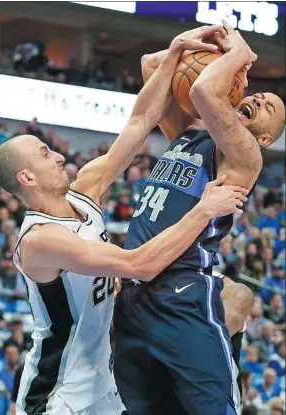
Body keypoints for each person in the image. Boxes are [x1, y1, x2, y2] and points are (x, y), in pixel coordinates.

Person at [0, 25, 244, 415]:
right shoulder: (41, 240)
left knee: (236, 298)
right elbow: (139, 265)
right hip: (60, 392)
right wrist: (205, 209)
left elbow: (140, 120)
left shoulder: (87, 188)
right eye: (46, 154)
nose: (60, 156)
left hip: (107, 380)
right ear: (26, 178)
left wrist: (176, 51)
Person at [113, 21, 285, 415]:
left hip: (183, 292)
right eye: (256, 95)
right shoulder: (188, 134)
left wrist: (238, 53)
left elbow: (203, 90)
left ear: (265, 138)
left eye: (268, 108)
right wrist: (189, 46)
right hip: (136, 291)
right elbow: (151, 66)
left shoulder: (245, 156)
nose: (257, 101)